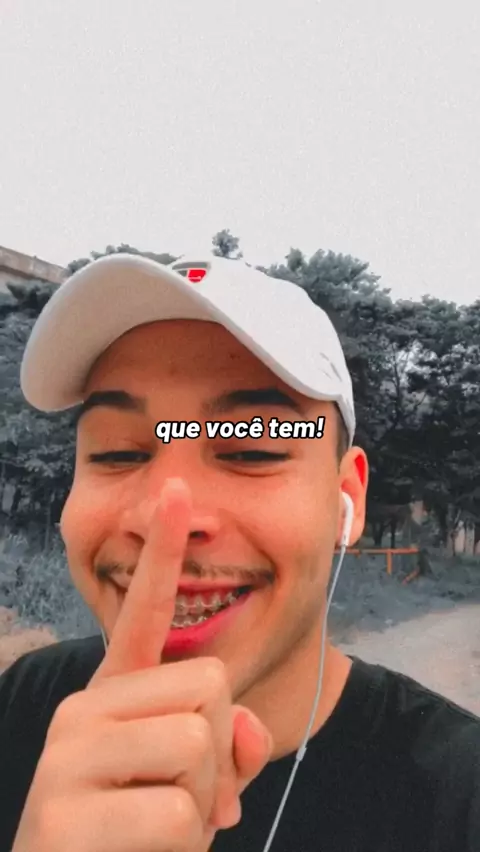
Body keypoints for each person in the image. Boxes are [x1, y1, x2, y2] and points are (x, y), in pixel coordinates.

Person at [1, 252, 479, 852]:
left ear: (347, 501)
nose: (167, 516)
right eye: (118, 452)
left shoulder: (457, 799)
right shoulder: (22, 705)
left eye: (253, 448)